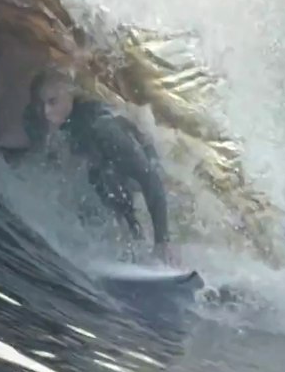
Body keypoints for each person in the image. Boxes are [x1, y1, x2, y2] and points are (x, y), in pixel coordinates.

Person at [24, 71, 177, 264]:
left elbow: (149, 178)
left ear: (69, 96)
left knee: (106, 181)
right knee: (87, 184)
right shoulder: (36, 119)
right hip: (100, 154)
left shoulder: (100, 128)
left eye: (53, 102)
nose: (45, 112)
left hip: (138, 152)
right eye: (40, 104)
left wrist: (162, 241)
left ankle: (144, 246)